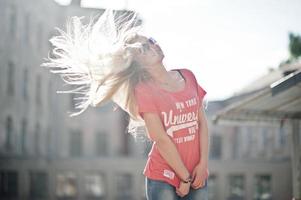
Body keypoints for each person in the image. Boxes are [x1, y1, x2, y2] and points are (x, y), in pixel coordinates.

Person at [41, 9, 209, 200]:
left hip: (197, 174)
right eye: (143, 49)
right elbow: (160, 138)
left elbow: (202, 124)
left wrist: (202, 165)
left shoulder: (187, 76)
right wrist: (184, 179)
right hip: (164, 177)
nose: (153, 47)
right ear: (139, 63)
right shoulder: (145, 91)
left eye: (151, 41)